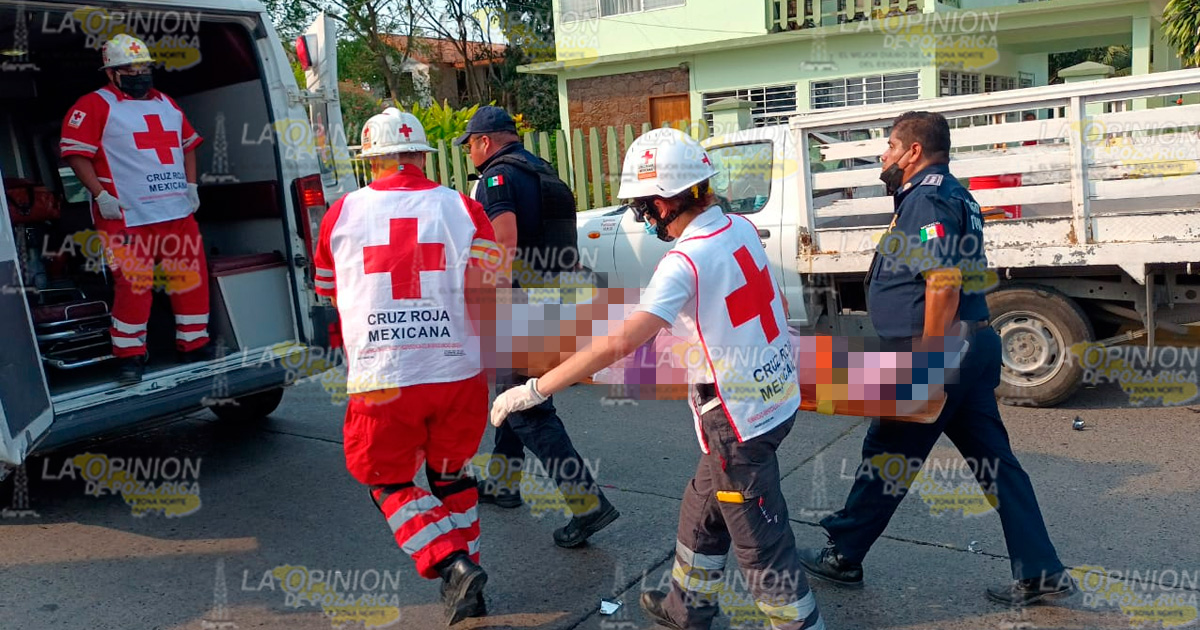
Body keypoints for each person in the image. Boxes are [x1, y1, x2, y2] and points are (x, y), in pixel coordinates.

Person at [491, 128, 827, 630]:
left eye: (645, 207)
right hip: (774, 396)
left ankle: (799, 625)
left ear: (667, 200)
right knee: (701, 508)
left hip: (738, 423)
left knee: (761, 547)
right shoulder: (737, 228)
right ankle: (685, 608)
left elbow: (621, 343)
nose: (643, 218)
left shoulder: (684, 261)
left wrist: (536, 388)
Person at [798, 111, 1075, 606]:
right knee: (996, 464)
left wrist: (926, 364)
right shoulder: (954, 193)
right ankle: (1041, 570)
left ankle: (843, 553)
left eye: (889, 146)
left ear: (913, 152)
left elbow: (942, 281)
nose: (883, 156)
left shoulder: (926, 199)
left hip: (940, 347)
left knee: (888, 453)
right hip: (970, 344)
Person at [313, 108, 501, 625]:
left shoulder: (340, 213)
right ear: (421, 154)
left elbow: (327, 295)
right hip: (457, 371)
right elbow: (488, 291)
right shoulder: (463, 208)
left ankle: (452, 564)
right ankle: (472, 587)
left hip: (383, 376)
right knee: (451, 476)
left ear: (370, 160)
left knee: (385, 480)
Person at [455, 106, 619, 548]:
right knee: (512, 395)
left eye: (470, 143)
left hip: (518, 304)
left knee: (526, 407)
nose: (469, 151)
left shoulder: (496, 179)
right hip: (556, 300)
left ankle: (587, 504)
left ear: (485, 141)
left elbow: (504, 243)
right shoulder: (545, 173)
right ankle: (505, 484)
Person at [61, 34, 211, 384]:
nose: (138, 74)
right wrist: (100, 195)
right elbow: (75, 154)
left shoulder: (167, 104)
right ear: (111, 73)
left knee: (190, 279)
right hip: (125, 217)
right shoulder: (95, 105)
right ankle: (129, 355)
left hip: (176, 213)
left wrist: (191, 185)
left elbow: (187, 145)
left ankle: (194, 343)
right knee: (133, 285)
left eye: (143, 67)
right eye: (129, 69)